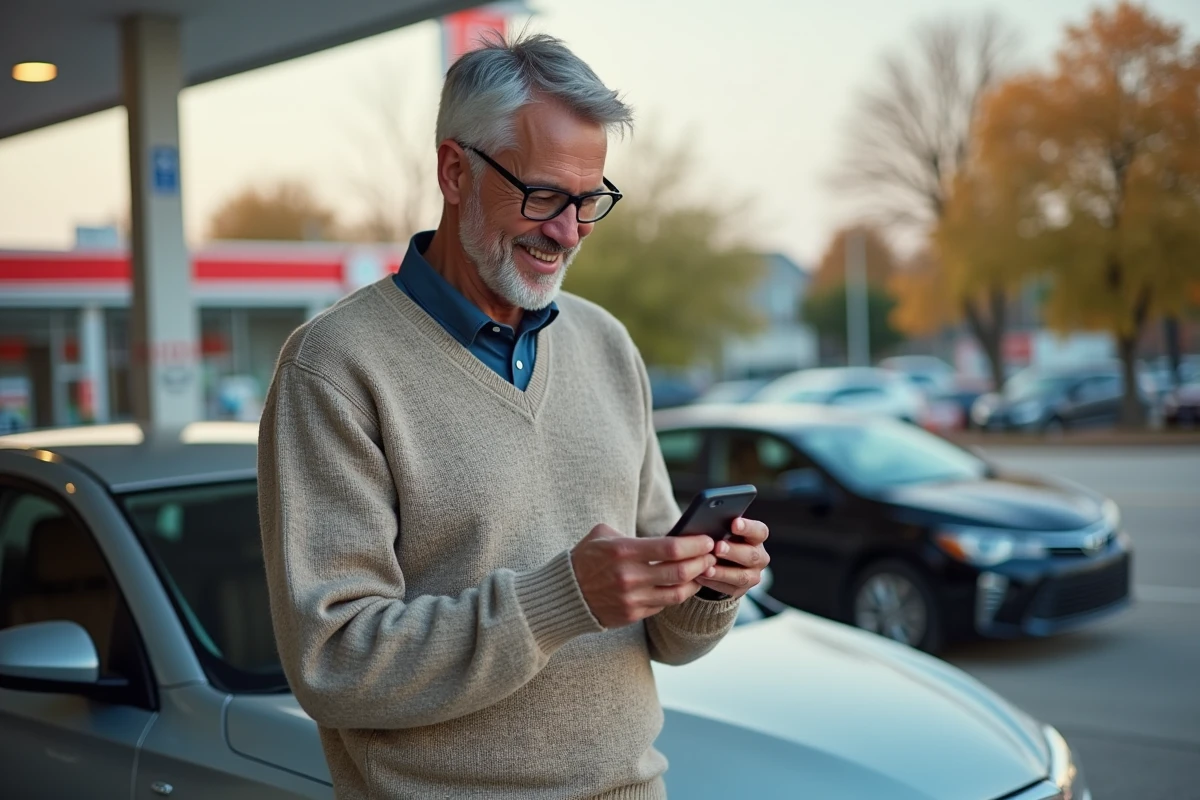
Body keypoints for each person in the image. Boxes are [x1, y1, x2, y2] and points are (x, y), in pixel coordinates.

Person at [258, 31, 770, 800]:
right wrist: (562, 599)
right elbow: (334, 663)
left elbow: (665, 639)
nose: (568, 233)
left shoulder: (606, 344)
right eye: (543, 196)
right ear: (455, 170)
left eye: (589, 201)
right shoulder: (333, 366)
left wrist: (707, 586)